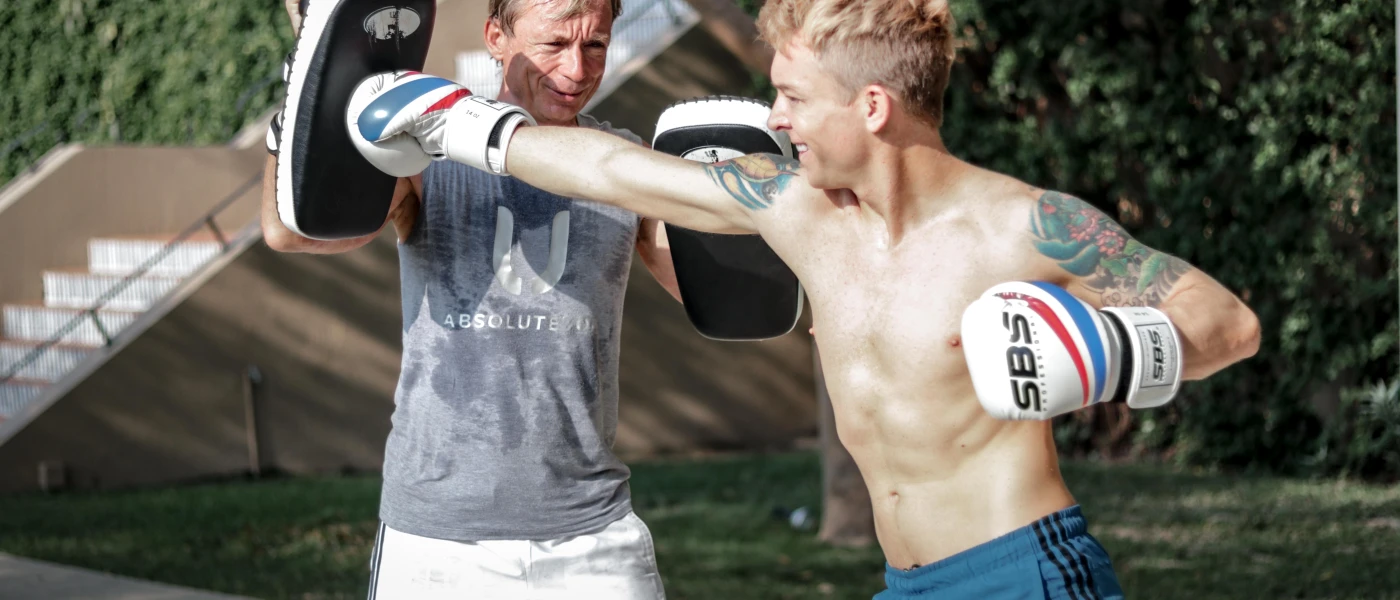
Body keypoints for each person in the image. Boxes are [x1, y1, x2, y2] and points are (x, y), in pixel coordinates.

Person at [345, 0, 1264, 597]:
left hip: (1025, 573)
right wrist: (453, 121)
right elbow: (616, 168)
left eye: (791, 97)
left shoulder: (1024, 227)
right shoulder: (797, 210)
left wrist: (1105, 350)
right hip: (903, 582)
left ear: (870, 107)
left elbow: (1227, 322)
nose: (773, 119)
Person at [261, 0, 680, 598]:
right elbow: (289, 232)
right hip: (437, 541)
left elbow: (710, 294)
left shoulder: (619, 164)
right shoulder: (427, 150)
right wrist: (306, 94)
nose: (579, 68)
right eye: (554, 44)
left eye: (596, 45)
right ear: (495, 37)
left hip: (591, 536)